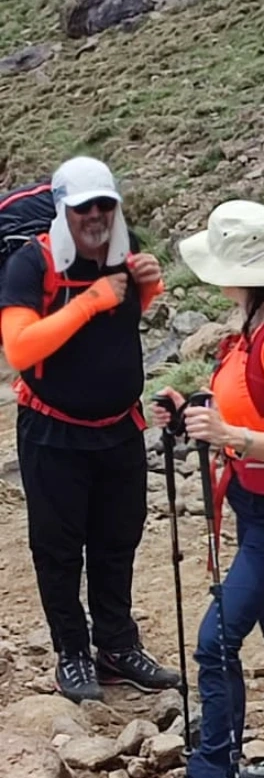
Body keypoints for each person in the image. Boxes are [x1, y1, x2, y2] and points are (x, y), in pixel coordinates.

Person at [152, 200, 264, 778]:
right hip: (260, 508)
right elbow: (241, 409)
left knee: (215, 640)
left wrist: (227, 433)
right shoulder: (254, 328)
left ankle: (214, 766)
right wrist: (190, 414)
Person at [0, 156, 181, 704]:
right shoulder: (32, 264)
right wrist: (90, 302)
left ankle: (117, 647)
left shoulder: (124, 253)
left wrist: (145, 290)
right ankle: (71, 655)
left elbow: (123, 324)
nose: (96, 216)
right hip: (52, 431)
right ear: (63, 209)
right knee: (57, 549)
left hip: (119, 429)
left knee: (116, 540)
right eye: (84, 207)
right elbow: (20, 347)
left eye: (105, 204)